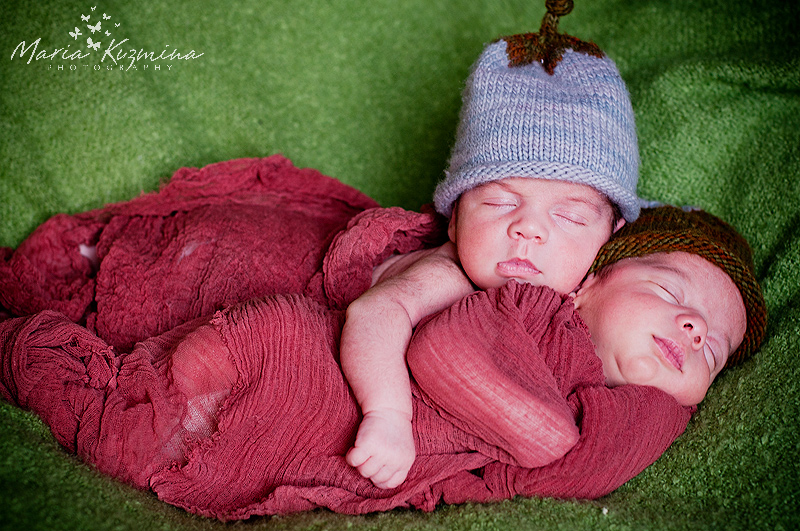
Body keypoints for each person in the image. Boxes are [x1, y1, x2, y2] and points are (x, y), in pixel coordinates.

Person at [0, 205, 767, 520]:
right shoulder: (534, 306)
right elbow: (444, 351)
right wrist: (549, 436)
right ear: (590, 278)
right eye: (670, 292)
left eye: (713, 347)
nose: (693, 328)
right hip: (289, 358)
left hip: (319, 444)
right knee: (125, 416)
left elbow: (590, 464)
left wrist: (657, 409)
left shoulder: (639, 409)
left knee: (165, 447)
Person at [341, 5, 641, 488]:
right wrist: (388, 415)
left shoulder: (584, 297)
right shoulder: (448, 274)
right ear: (455, 218)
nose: (528, 229)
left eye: (569, 216)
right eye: (500, 202)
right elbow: (373, 314)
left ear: (611, 236)